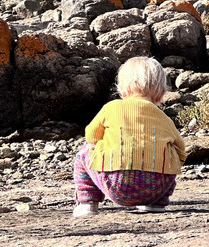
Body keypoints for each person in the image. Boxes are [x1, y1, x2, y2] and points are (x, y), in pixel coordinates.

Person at [72, 56, 185, 216]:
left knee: (84, 153)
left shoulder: (112, 107)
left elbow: (91, 136)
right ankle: (157, 203)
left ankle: (87, 202)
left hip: (117, 186)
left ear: (122, 90)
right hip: (156, 189)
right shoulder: (165, 119)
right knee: (171, 154)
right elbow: (181, 151)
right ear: (161, 94)